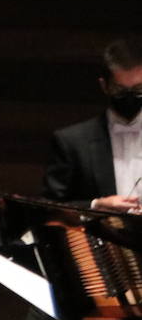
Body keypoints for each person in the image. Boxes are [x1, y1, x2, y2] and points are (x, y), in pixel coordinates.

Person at [43, 34, 142, 214]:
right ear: (104, 86)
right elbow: (47, 207)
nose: (130, 97)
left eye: (138, 90)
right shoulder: (71, 142)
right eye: (119, 90)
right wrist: (95, 205)